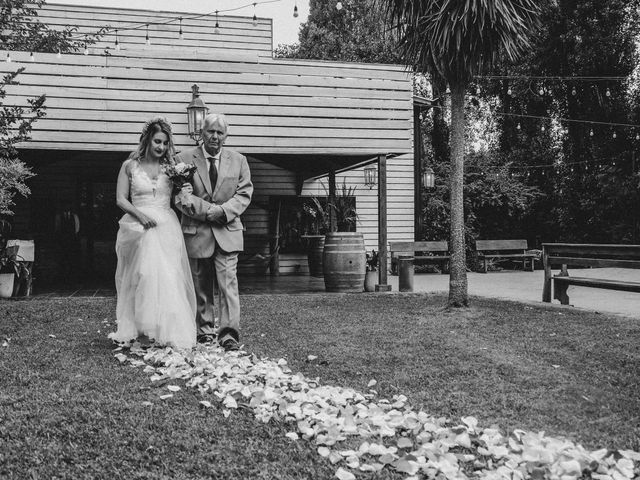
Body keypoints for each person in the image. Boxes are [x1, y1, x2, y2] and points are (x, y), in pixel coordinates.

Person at [109, 117, 197, 349]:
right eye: (157, 141)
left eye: (165, 143)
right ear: (147, 140)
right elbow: (120, 199)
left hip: (166, 227)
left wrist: (186, 191)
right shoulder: (130, 166)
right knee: (143, 276)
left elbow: (179, 200)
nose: (161, 147)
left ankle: (167, 329)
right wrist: (141, 215)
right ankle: (143, 331)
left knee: (168, 277)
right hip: (139, 228)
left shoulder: (171, 169)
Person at [174, 113, 253, 351]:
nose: (215, 136)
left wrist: (222, 211)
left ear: (226, 136)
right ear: (201, 133)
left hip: (228, 231)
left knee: (229, 285)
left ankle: (229, 334)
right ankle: (204, 331)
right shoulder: (183, 160)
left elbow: (244, 194)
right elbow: (180, 197)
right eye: (211, 131)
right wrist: (209, 211)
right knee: (201, 285)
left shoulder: (239, 160)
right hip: (196, 231)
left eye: (220, 132)